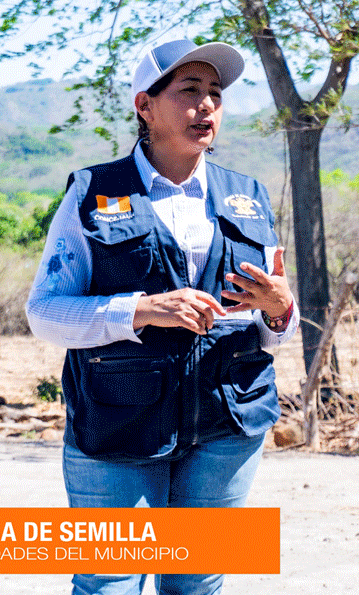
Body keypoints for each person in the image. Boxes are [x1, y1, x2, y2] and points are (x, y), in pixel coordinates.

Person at [25, 38, 299, 595]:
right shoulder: (92, 192)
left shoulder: (249, 196)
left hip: (228, 425)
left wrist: (279, 309)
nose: (206, 105)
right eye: (189, 90)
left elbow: (276, 328)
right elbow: (45, 313)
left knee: (197, 584)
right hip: (119, 426)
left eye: (215, 93)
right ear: (145, 106)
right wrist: (142, 310)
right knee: (109, 583)